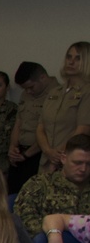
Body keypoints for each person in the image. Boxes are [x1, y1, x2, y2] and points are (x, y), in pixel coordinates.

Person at [15, 134, 90, 236]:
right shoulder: (40, 184)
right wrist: (54, 234)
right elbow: (23, 219)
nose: (83, 169)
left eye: (89, 164)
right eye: (77, 163)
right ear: (63, 158)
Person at [36, 42, 90, 173]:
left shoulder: (87, 91)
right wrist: (48, 151)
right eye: (68, 57)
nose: (71, 62)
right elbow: (40, 127)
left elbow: (82, 130)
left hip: (70, 163)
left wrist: (58, 154)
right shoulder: (55, 91)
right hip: (46, 160)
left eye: (78, 58)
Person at [9, 62, 60, 193]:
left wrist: (27, 155)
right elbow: (19, 122)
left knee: (31, 194)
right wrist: (13, 147)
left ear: (42, 77)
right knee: (13, 194)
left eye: (31, 87)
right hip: (19, 153)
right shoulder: (26, 94)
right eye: (25, 88)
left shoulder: (57, 95)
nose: (28, 91)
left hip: (37, 155)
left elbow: (48, 131)